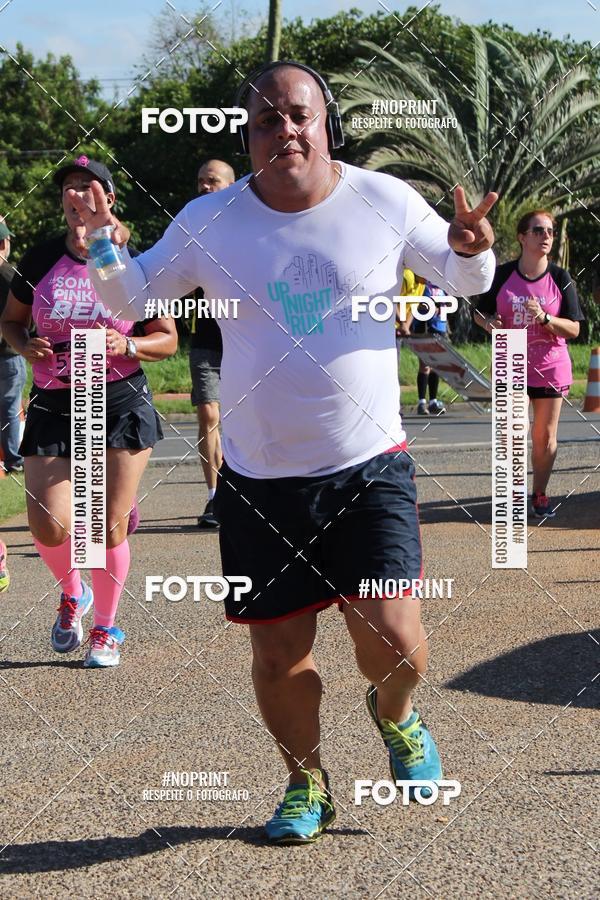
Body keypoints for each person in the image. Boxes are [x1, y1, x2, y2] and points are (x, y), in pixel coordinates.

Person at [68, 61, 497, 842]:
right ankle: (306, 785)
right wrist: (100, 247)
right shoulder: (211, 220)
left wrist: (471, 249)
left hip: (369, 466)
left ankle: (397, 717)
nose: (285, 129)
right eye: (267, 120)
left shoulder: (383, 197)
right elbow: (133, 300)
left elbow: (466, 275)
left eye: (298, 114)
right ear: (248, 135)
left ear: (325, 121)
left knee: (394, 646)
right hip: (261, 481)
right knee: (277, 658)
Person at [0, 155, 177, 667]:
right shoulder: (37, 261)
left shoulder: (133, 262)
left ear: (109, 199)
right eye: (70, 187)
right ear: (62, 201)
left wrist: (125, 347)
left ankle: (107, 627)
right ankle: (74, 593)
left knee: (104, 525)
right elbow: (11, 322)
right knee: (49, 525)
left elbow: (165, 341)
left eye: (89, 186)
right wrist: (24, 344)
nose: (78, 194)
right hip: (57, 400)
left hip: (119, 399)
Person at [474, 209, 584, 518]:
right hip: (511, 359)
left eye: (549, 231)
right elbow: (478, 313)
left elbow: (575, 328)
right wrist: (488, 323)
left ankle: (540, 494)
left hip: (550, 365)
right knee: (515, 429)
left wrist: (546, 318)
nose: (546, 236)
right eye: (538, 230)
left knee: (545, 437)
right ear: (523, 237)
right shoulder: (502, 274)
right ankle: (515, 491)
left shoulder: (560, 278)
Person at [190, 160, 235, 528]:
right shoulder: (189, 229)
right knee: (208, 415)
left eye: (213, 182)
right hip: (205, 339)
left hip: (245, 339)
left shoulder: (249, 228)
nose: (205, 187)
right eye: (201, 181)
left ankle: (247, 491)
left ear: (231, 186)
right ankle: (214, 497)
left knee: (245, 420)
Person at [0, 219, 27, 474]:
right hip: (9, 353)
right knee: (10, 408)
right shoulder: (11, 274)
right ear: (4, 243)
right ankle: (13, 459)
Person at [411, 279, 449, 416]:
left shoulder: (442, 287)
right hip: (425, 326)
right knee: (425, 364)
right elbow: (417, 305)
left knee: (436, 364)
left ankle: (433, 401)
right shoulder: (424, 286)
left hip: (439, 327)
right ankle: (422, 402)